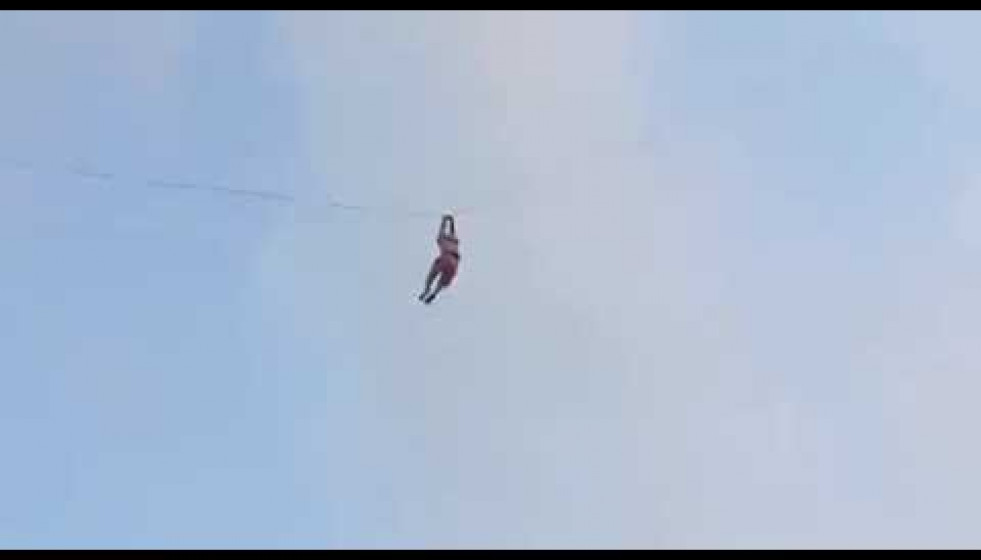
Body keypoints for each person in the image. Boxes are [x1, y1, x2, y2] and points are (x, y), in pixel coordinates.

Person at [420, 214, 460, 305]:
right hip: (454, 263)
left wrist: (444, 220)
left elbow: (442, 229)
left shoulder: (441, 239)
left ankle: (427, 290)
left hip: (445, 258)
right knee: (443, 281)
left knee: (431, 275)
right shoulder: (454, 241)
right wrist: (451, 221)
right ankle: (434, 293)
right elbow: (452, 231)